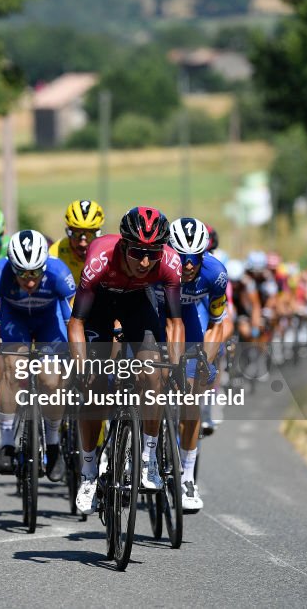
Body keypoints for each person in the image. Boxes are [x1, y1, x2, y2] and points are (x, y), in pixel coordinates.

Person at [70, 207, 184, 515]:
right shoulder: (98, 260)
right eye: (138, 252)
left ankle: (147, 461)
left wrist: (173, 365)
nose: (146, 261)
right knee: (94, 389)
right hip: (100, 304)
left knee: (153, 375)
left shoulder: (170, 263)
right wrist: (82, 367)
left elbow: (174, 323)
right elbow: (77, 322)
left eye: (153, 253)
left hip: (138, 303)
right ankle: (89, 471)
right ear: (123, 245)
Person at [0, 230, 75, 486]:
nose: (30, 280)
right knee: (13, 368)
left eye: (35, 272)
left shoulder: (60, 274)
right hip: (16, 320)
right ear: (11, 266)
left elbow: (74, 322)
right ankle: (6, 443)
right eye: (22, 273)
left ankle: (54, 442)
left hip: (49, 321)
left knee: (50, 380)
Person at [159, 217, 228, 511]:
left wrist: (204, 361)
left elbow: (216, 325)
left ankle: (187, 476)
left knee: (192, 396)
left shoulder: (216, 274)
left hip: (188, 320)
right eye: (181, 257)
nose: (187, 265)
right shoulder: (157, 265)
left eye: (194, 258)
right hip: (156, 315)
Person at [49, 199, 105, 286]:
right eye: (76, 234)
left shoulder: (107, 253)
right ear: (68, 232)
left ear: (98, 234)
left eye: (89, 235)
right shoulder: (55, 253)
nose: (83, 243)